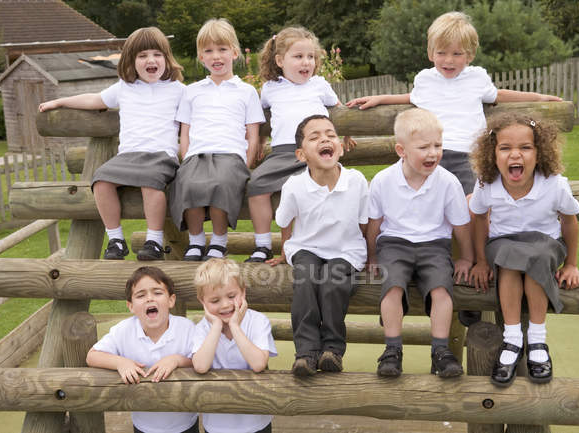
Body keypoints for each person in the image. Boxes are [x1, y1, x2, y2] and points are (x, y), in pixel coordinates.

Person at [346, 11, 562, 326]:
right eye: (442, 53)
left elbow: (498, 95)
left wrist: (539, 97)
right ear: (430, 52)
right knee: (411, 204)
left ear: (470, 55)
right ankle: (396, 293)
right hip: (428, 153)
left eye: (457, 53)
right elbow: (412, 97)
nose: (449, 60)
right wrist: (380, 98)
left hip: (466, 156)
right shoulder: (425, 79)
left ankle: (471, 275)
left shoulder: (476, 77)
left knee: (470, 210)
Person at [39, 27, 185, 261]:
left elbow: (202, 111)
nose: (151, 60)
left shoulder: (178, 91)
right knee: (101, 181)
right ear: (131, 61)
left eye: (157, 54)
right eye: (142, 56)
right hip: (127, 156)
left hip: (161, 156)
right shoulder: (124, 88)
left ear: (166, 59)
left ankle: (154, 240)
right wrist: (59, 101)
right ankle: (116, 240)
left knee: (151, 184)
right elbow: (94, 99)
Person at [469, 112, 579, 387]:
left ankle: (537, 341)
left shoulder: (555, 184)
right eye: (505, 148)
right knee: (509, 262)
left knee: (536, 259)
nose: (514, 155)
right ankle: (512, 339)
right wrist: (481, 261)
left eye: (525, 148)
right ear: (492, 154)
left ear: (539, 153)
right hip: (503, 244)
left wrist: (571, 264)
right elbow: (480, 218)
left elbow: (569, 221)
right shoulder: (487, 183)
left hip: (545, 244)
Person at [367, 108, 473, 378]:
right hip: (394, 243)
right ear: (401, 150)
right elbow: (375, 225)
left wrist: (467, 258)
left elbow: (461, 226)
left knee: (441, 290)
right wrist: (371, 258)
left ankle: (440, 350)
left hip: (434, 245)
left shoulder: (448, 182)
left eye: (438, 146)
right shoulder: (383, 180)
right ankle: (392, 349)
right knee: (393, 288)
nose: (432, 153)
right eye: (424, 147)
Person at [244, 26, 355, 264]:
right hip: (282, 152)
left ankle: (318, 245)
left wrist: (345, 134)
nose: (306, 62)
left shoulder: (319, 85)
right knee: (256, 184)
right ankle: (263, 245)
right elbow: (261, 118)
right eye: (298, 57)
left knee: (309, 193)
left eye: (311, 57)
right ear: (280, 60)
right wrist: (261, 142)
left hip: (314, 154)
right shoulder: (270, 88)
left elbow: (338, 109)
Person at [268, 114, 368, 376]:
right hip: (306, 247)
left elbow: (366, 222)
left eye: (330, 135)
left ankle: (332, 351)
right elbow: (284, 221)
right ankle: (306, 352)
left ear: (341, 147)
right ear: (302, 155)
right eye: (315, 137)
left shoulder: (356, 181)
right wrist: (284, 251)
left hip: (346, 250)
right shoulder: (294, 185)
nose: (325, 138)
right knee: (305, 280)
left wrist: (373, 257)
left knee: (333, 283)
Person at [168, 19, 265, 262]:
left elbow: (252, 134)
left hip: (231, 155)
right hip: (197, 153)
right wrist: (186, 157)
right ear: (201, 57)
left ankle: (219, 241)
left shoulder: (246, 91)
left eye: (222, 49)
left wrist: (247, 163)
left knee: (221, 184)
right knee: (187, 183)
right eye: (209, 51)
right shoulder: (192, 91)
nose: (216, 56)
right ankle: (196, 240)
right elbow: (185, 132)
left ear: (234, 52)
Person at [87, 266, 198, 433]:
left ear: (171, 300)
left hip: (185, 424)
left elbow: (199, 362)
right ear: (130, 306)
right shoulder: (123, 330)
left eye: (157, 293)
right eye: (141, 295)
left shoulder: (187, 328)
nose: (149, 299)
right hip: (144, 425)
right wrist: (120, 362)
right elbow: (92, 356)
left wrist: (177, 360)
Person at [192, 258, 276, 433]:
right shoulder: (202, 328)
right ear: (203, 302)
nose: (225, 305)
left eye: (231, 296)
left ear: (243, 292)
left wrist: (234, 326)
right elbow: (200, 366)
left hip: (255, 421)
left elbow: (258, 363)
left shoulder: (258, 321)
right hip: (216, 424)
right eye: (215, 301)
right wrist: (216, 326)